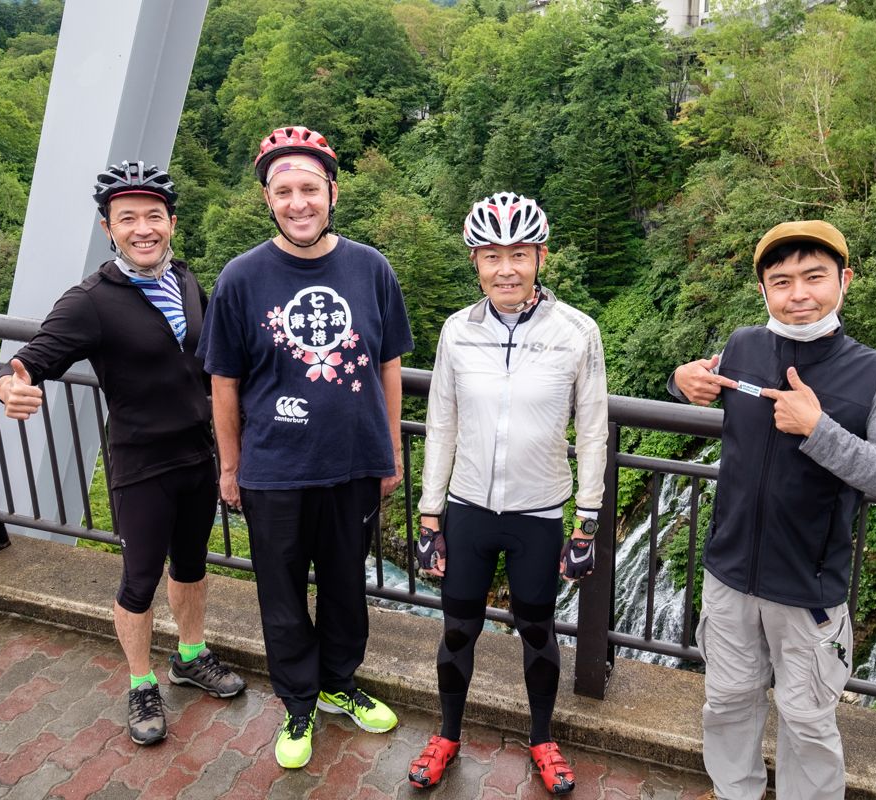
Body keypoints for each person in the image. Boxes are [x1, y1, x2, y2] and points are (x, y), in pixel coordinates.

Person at [0, 161, 247, 747]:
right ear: (108, 228)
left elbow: (214, 364)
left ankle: (189, 655)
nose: (142, 228)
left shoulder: (185, 279)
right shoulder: (90, 300)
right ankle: (140, 682)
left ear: (172, 223)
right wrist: (13, 386)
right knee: (139, 582)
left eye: (153, 216)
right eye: (126, 217)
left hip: (197, 455)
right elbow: (31, 360)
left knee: (191, 565)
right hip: (141, 464)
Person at [669, 220, 876, 799]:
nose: (798, 294)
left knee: (808, 723)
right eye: (781, 281)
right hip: (729, 575)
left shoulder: (875, 373)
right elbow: (700, 385)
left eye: (815, 277)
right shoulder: (744, 345)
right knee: (727, 704)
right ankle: (734, 792)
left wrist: (819, 429)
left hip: (809, 594)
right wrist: (679, 382)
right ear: (764, 290)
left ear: (845, 282)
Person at [197, 125, 413, 770]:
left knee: (347, 585)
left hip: (352, 465)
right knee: (282, 592)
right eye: (284, 190)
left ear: (332, 193)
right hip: (274, 469)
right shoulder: (241, 278)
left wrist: (391, 452)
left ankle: (340, 684)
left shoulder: (371, 269)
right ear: (268, 199)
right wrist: (230, 468)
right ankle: (298, 702)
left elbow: (389, 367)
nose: (298, 202)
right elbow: (224, 382)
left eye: (309, 188)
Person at [406, 192, 608, 796]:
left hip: (540, 511)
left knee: (538, 629)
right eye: (492, 256)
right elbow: (441, 423)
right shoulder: (455, 331)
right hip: (467, 508)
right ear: (476, 261)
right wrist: (429, 513)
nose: (506, 269)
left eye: (519, 254)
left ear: (540, 256)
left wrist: (588, 521)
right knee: (458, 629)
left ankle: (543, 739)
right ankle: (447, 735)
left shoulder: (577, 331)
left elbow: (593, 428)